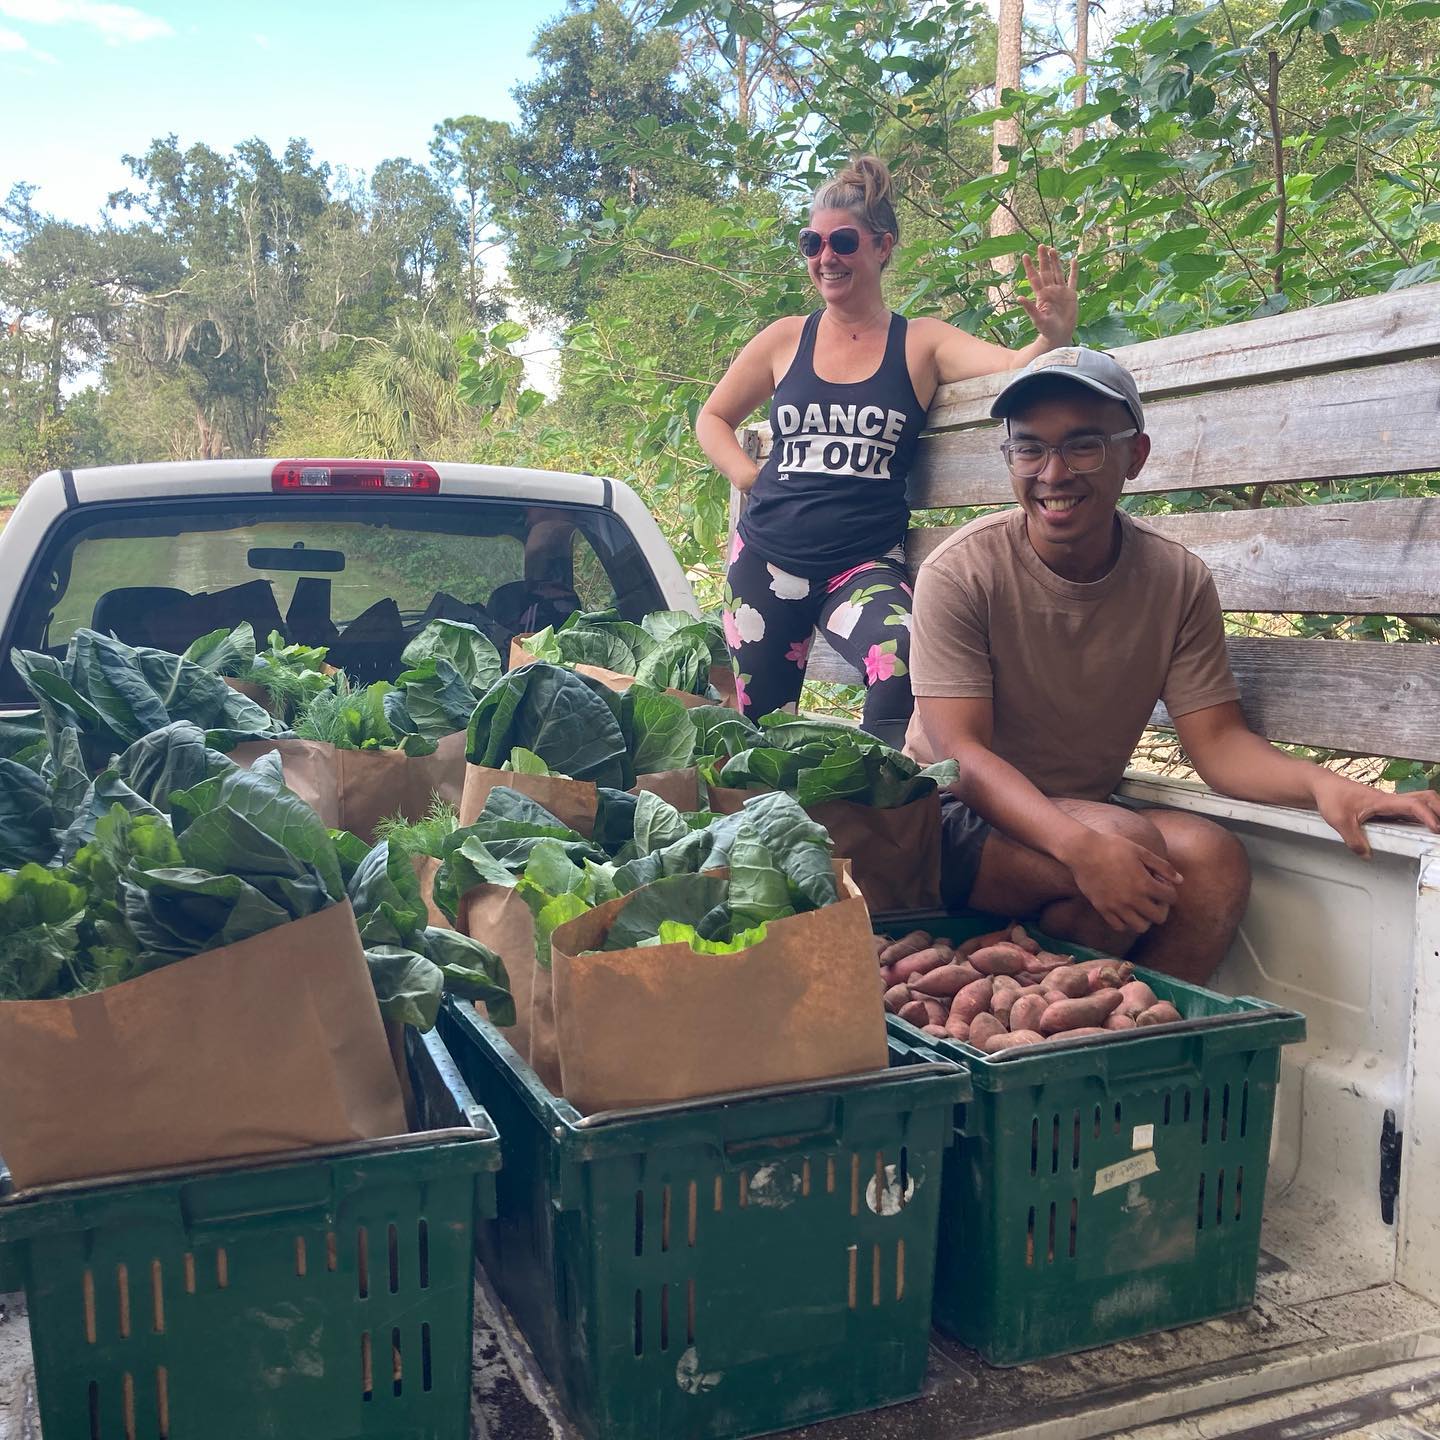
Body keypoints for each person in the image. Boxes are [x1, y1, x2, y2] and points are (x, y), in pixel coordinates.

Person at [906, 346, 1440, 982]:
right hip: (947, 817)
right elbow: (961, 758)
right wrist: (1081, 848)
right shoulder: (963, 570)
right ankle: (1016, 1028)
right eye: (1029, 449)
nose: (1053, 473)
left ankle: (1126, 1044)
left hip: (1081, 808)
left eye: (1083, 446)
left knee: (1212, 862)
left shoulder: (1175, 579)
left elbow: (1217, 745)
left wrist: (1327, 785)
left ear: (1135, 455)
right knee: (1125, 844)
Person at [695, 155, 1079, 743]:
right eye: (812, 243)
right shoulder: (783, 340)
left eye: (843, 242)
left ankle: (876, 812)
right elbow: (713, 418)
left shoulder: (920, 342)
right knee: (759, 731)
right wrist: (748, 477)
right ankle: (778, 826)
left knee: (902, 656)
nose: (826, 257)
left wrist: (1050, 337)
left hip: (861, 565)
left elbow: (1010, 369)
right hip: (767, 561)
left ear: (882, 247)